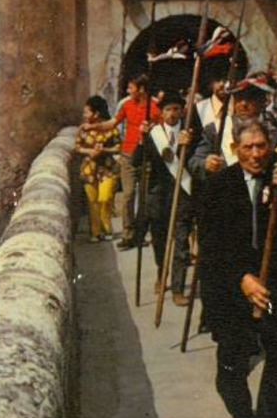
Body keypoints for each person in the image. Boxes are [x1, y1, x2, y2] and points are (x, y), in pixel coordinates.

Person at [198, 118, 277, 418]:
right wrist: (242, 278)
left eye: (261, 146)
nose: (257, 154)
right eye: (248, 148)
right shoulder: (218, 186)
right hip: (231, 286)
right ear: (234, 150)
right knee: (234, 354)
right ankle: (236, 398)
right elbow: (210, 246)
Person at [133, 91, 195, 304]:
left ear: (182, 111)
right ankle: (162, 271)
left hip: (183, 194)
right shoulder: (154, 134)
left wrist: (187, 146)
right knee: (159, 240)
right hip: (158, 196)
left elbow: (194, 164)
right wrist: (142, 140)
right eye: (168, 110)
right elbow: (136, 161)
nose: (172, 114)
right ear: (161, 112)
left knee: (181, 242)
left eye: (176, 109)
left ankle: (178, 289)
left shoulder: (191, 135)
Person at [101, 74, 160, 249]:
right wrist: (93, 126)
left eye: (131, 88)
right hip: (128, 155)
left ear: (141, 89)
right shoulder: (127, 105)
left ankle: (140, 234)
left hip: (146, 156)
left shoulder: (155, 108)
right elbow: (112, 123)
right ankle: (128, 233)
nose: (128, 91)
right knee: (127, 196)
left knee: (144, 199)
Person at [75, 95, 121, 241]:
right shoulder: (83, 129)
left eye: (87, 112)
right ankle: (96, 232)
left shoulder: (110, 128)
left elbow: (119, 147)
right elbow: (77, 147)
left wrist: (105, 151)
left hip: (107, 168)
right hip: (90, 168)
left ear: (96, 113)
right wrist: (89, 151)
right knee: (92, 202)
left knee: (105, 198)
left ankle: (107, 228)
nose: (85, 115)